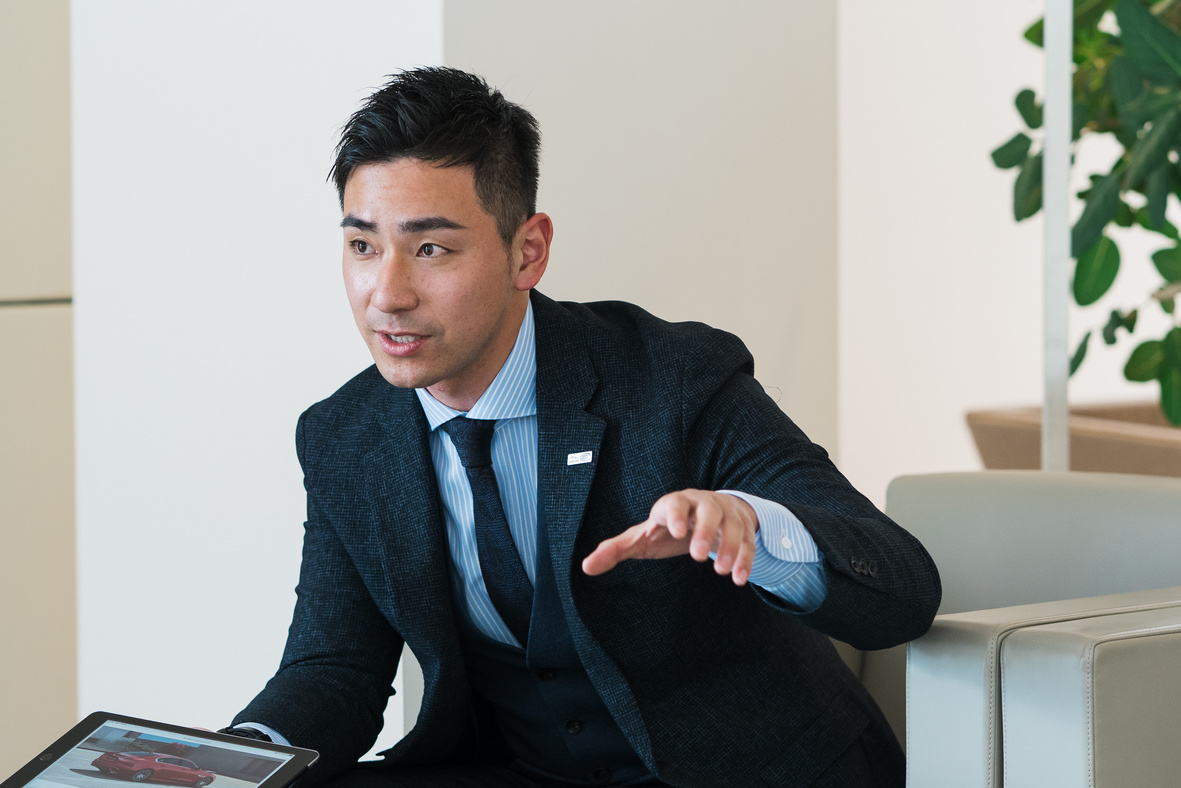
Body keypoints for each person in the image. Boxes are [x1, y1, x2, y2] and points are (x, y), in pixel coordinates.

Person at [220, 67, 940, 788]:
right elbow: (334, 667)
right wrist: (230, 761)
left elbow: (902, 586)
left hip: (747, 770)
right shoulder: (344, 435)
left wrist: (749, 524)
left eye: (431, 248)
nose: (387, 293)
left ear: (526, 251)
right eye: (362, 247)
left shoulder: (673, 378)